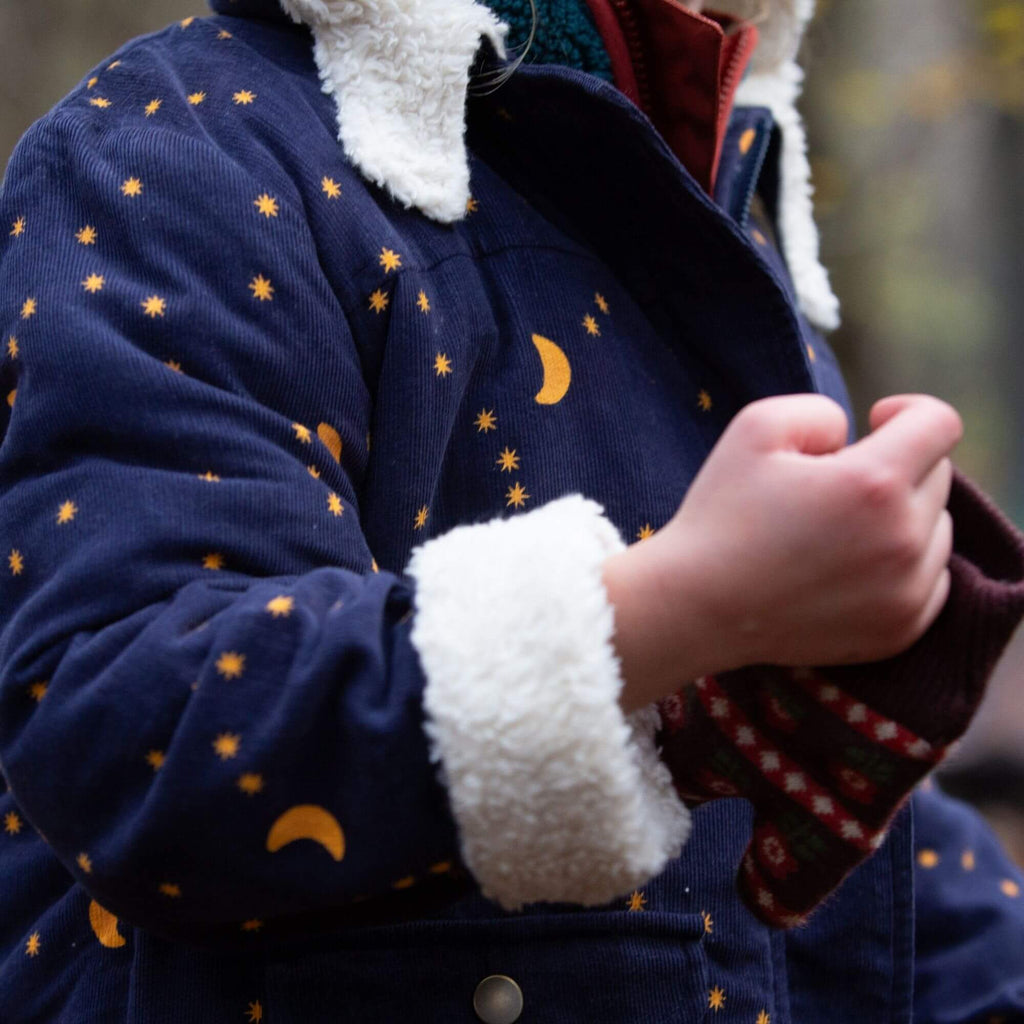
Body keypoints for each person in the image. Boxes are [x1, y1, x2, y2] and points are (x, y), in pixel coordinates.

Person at [1, 0, 1023, 1020]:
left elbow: (850, 883)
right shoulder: (179, 150)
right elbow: (137, 732)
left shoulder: (722, 215)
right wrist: (672, 610)